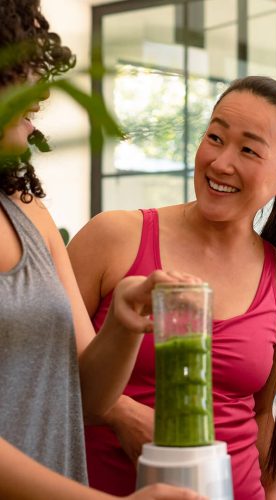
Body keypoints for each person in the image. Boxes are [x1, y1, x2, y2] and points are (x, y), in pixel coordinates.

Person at [67, 75, 276, 500]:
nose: (221, 162)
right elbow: (41, 372)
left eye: (248, 149)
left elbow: (261, 415)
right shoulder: (113, 236)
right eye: (215, 137)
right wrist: (120, 412)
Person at [0, 1, 205, 499]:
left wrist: (123, 324)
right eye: (23, 69)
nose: (44, 93)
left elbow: (89, 400)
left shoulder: (29, 213)